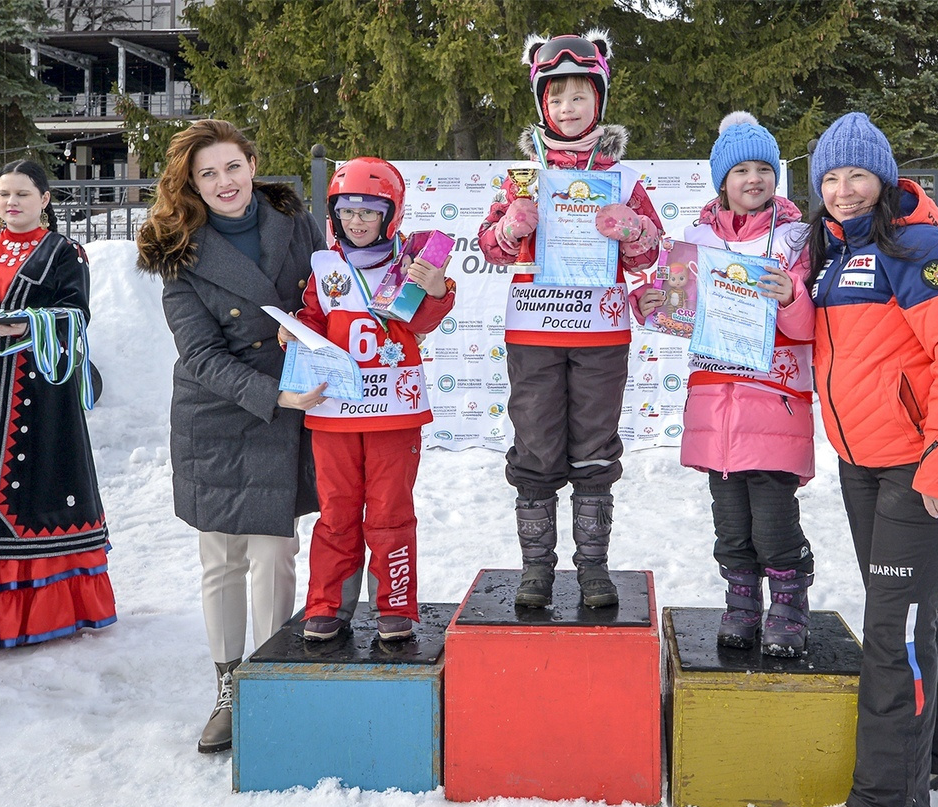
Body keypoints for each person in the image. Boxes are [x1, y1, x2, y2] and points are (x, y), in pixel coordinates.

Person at [803, 113, 938, 807]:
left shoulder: (920, 246)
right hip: (865, 463)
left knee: (891, 629)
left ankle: (888, 805)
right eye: (830, 178)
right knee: (911, 611)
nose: (843, 191)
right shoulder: (832, 251)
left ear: (882, 177)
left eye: (855, 176)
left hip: (923, 464)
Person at [136, 120, 324, 753]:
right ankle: (226, 685)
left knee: (274, 552)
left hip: (288, 402)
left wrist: (310, 336)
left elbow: (328, 293)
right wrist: (275, 394)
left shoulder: (295, 223)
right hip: (218, 411)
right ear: (191, 183)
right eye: (207, 173)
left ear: (253, 163)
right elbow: (200, 355)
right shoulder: (176, 248)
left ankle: (270, 678)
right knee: (223, 557)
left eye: (232, 167)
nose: (224, 183)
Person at [477, 30, 663, 608]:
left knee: (595, 445)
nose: (567, 109)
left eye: (579, 97)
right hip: (534, 328)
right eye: (555, 99)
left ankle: (593, 567)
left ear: (599, 103)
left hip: (601, 331)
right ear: (541, 106)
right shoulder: (521, 176)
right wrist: (512, 226)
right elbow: (488, 246)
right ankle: (537, 570)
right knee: (534, 445)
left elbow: (650, 255)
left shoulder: (622, 179)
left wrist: (632, 230)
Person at [632, 112, 816, 656]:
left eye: (764, 167)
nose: (754, 179)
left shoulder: (795, 239)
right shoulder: (696, 240)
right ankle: (742, 604)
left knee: (775, 524)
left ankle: (787, 605)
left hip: (774, 403)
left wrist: (789, 296)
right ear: (722, 181)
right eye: (741, 170)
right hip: (715, 407)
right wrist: (652, 304)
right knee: (731, 524)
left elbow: (807, 330)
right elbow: (677, 316)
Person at [0, 160, 116, 657]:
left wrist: (28, 325)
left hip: (41, 387)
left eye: (23, 194)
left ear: (45, 200)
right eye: (4, 194)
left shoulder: (64, 252)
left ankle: (45, 604)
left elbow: (77, 312)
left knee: (40, 483)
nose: (12, 203)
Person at [284, 156, 454, 644]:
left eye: (369, 212)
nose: (356, 222)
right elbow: (315, 318)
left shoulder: (412, 262)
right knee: (336, 511)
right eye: (347, 212)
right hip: (335, 411)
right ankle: (326, 604)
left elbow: (422, 323)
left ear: (391, 213)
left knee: (389, 510)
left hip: (393, 412)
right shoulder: (325, 265)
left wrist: (436, 288)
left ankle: (394, 603)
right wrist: (294, 330)